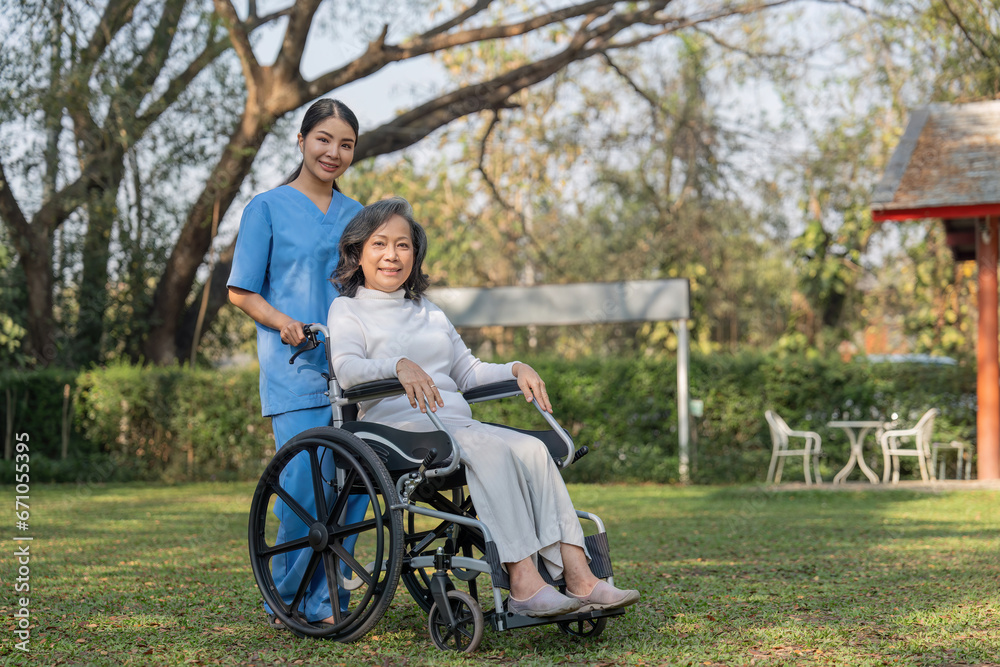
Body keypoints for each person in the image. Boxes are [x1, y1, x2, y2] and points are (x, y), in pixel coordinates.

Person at [327, 197, 640, 617]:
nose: (392, 255)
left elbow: (468, 372)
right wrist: (397, 365)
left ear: (415, 254)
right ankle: (525, 584)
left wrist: (515, 367)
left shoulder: (430, 312)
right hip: (394, 430)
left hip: (453, 424)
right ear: (357, 252)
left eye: (403, 245)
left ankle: (580, 577)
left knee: (532, 449)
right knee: (489, 449)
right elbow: (346, 372)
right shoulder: (348, 309)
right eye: (380, 244)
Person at [227, 98, 368, 626]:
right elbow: (242, 290)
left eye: (346, 144)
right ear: (303, 141)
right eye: (324, 140)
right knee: (304, 493)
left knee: (353, 489)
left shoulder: (357, 215)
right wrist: (283, 320)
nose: (334, 152)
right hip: (295, 366)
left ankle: (331, 598)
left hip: (353, 370)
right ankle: (286, 598)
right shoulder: (265, 208)